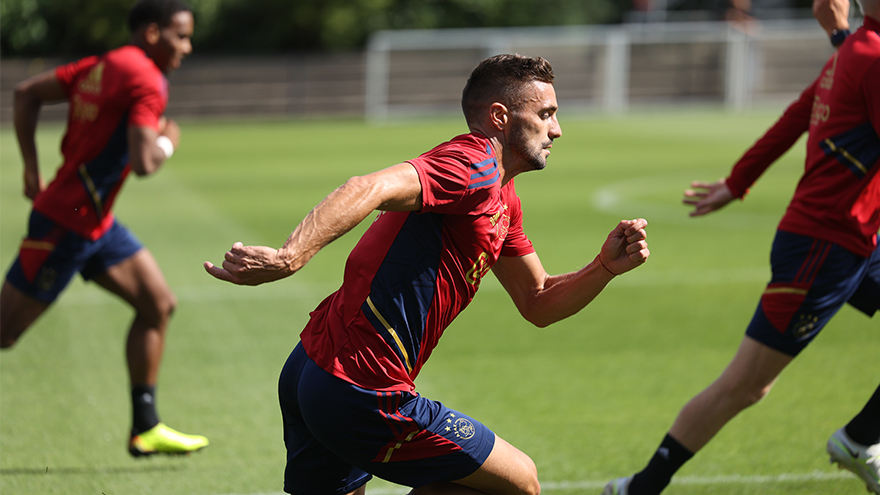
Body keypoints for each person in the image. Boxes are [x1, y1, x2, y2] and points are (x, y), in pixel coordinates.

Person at [205, 54, 650, 495]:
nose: (556, 129)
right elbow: (367, 187)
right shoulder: (474, 163)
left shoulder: (503, 198)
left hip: (313, 368)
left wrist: (603, 268)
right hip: (362, 384)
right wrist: (290, 257)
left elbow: (537, 300)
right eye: (545, 114)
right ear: (500, 117)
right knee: (520, 483)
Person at [603, 0, 880, 494]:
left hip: (857, 240)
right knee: (747, 385)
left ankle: (860, 438)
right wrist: (739, 179)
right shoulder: (868, 54)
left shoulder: (854, 50)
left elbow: (798, 114)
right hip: (824, 247)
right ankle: (639, 488)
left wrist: (739, 180)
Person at [1, 0, 208, 457]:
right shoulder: (148, 80)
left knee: (157, 304)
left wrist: (31, 171)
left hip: (93, 223)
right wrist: (167, 141)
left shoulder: (101, 63)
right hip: (64, 226)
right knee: (4, 333)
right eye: (180, 35)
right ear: (152, 33)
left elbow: (25, 94)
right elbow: (144, 163)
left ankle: (145, 427)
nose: (187, 47)